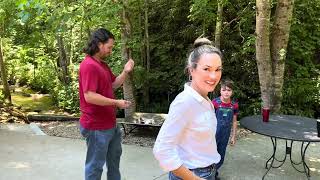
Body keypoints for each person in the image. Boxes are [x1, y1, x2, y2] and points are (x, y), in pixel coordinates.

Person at [153, 37, 223, 180]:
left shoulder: (204, 99)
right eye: (206, 69)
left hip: (207, 170)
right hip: (192, 175)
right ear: (192, 70)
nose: (213, 76)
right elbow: (162, 150)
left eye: (218, 69)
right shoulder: (185, 103)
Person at [78, 28, 134, 180]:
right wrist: (116, 102)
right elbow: (89, 96)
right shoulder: (88, 65)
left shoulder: (102, 65)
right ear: (98, 44)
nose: (110, 51)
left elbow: (114, 84)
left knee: (114, 162)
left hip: (110, 125)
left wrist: (126, 71)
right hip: (96, 127)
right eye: (109, 47)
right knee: (95, 167)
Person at [212, 79, 239, 179]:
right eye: (224, 90)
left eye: (229, 90)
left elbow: (234, 121)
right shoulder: (214, 103)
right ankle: (210, 174)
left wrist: (233, 136)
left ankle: (214, 171)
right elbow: (208, 119)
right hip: (213, 134)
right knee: (211, 154)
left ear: (232, 92)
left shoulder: (234, 105)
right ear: (220, 91)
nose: (226, 92)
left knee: (221, 155)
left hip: (225, 135)